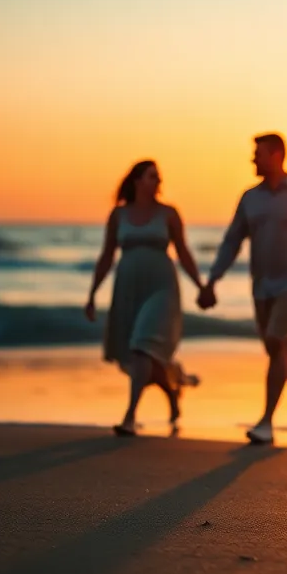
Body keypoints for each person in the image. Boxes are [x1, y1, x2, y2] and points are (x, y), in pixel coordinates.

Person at [198, 133, 287, 444]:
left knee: (276, 339)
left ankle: (266, 422)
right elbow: (232, 241)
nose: (252, 159)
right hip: (262, 285)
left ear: (277, 156)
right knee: (278, 347)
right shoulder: (250, 198)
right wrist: (212, 280)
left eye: (257, 154)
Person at [85, 160, 204, 436]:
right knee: (142, 355)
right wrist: (92, 294)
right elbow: (106, 256)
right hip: (128, 287)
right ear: (137, 180)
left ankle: (130, 416)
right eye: (152, 177)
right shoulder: (118, 215)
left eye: (159, 178)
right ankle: (172, 394)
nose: (157, 183)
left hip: (161, 287)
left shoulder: (169, 214)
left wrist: (201, 285)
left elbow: (184, 252)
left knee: (143, 346)